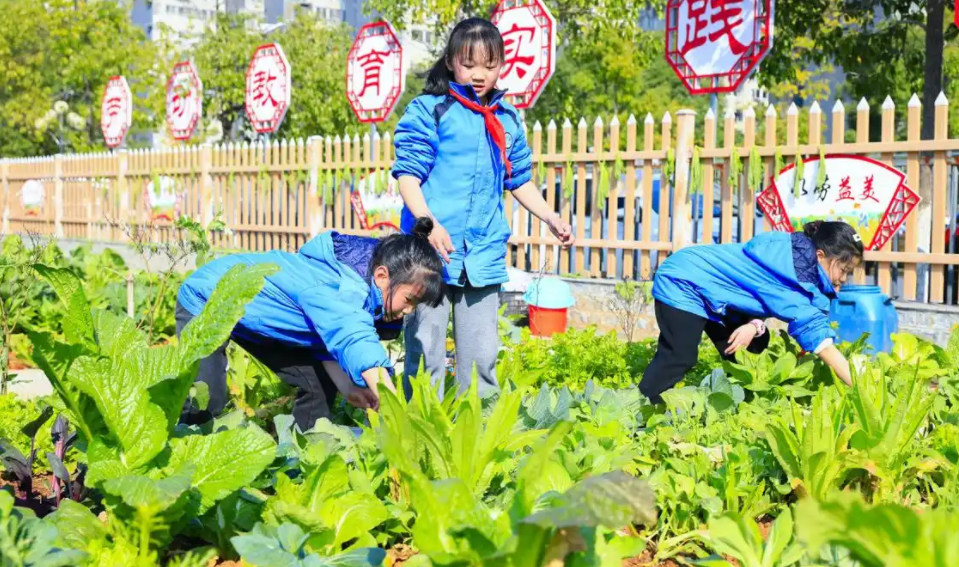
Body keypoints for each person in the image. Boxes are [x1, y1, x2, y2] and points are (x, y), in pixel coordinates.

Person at [392, 17, 574, 399]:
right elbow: (408, 176)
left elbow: (518, 178)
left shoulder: (507, 119)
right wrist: (428, 225)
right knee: (425, 356)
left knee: (481, 360)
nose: (479, 74)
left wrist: (550, 217)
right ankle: (418, 428)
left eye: (489, 65)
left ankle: (478, 430)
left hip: (482, 254)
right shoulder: (430, 110)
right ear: (450, 62)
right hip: (429, 253)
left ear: (501, 66)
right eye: (468, 63)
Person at [175, 217, 444, 430]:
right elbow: (356, 340)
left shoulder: (361, 286)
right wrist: (396, 413)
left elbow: (322, 343)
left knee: (318, 384)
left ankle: (304, 460)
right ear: (382, 276)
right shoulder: (341, 289)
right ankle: (183, 451)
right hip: (208, 300)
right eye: (409, 300)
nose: (409, 310)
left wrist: (348, 388)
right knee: (206, 396)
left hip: (253, 317)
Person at [640, 221, 863, 403]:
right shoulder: (793, 269)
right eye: (843, 270)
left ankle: (732, 402)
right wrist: (863, 389)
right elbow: (819, 340)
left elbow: (762, 292)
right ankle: (642, 408)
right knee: (680, 356)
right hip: (683, 280)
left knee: (755, 344)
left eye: (849, 273)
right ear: (820, 256)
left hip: (712, 291)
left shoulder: (796, 261)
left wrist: (753, 325)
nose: (843, 279)